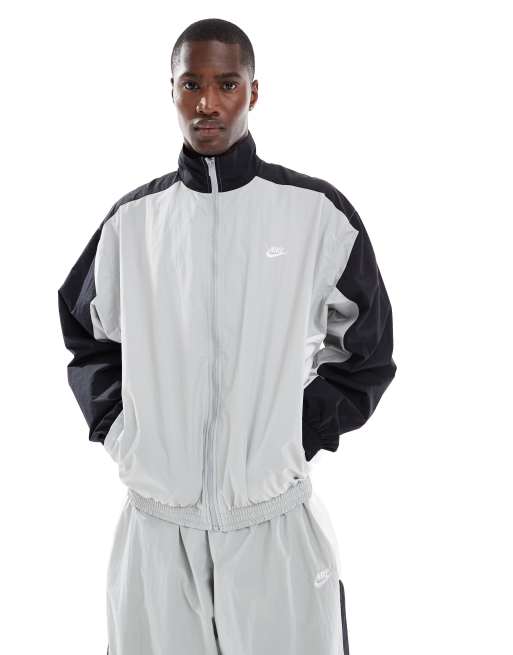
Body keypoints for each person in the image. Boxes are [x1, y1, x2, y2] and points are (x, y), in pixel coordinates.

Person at [57, 17, 396, 655]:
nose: (207, 102)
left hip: (273, 527)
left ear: (253, 92)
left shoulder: (315, 215)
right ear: (172, 91)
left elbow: (367, 353)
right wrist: (126, 434)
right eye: (191, 84)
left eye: (227, 84)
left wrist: (291, 435)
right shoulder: (134, 223)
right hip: (158, 530)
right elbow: (87, 334)